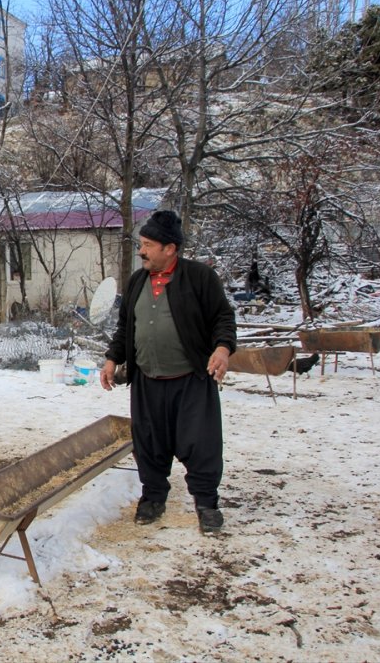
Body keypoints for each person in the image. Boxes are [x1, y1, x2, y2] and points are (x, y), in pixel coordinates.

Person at [100, 209, 237, 534]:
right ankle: (153, 498)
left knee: (200, 444)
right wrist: (112, 358)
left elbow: (223, 318)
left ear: (170, 248)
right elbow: (125, 328)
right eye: (141, 243)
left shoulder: (200, 278)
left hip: (190, 380)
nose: (141, 250)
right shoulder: (137, 281)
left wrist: (221, 348)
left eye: (148, 244)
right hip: (147, 382)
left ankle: (206, 504)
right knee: (149, 444)